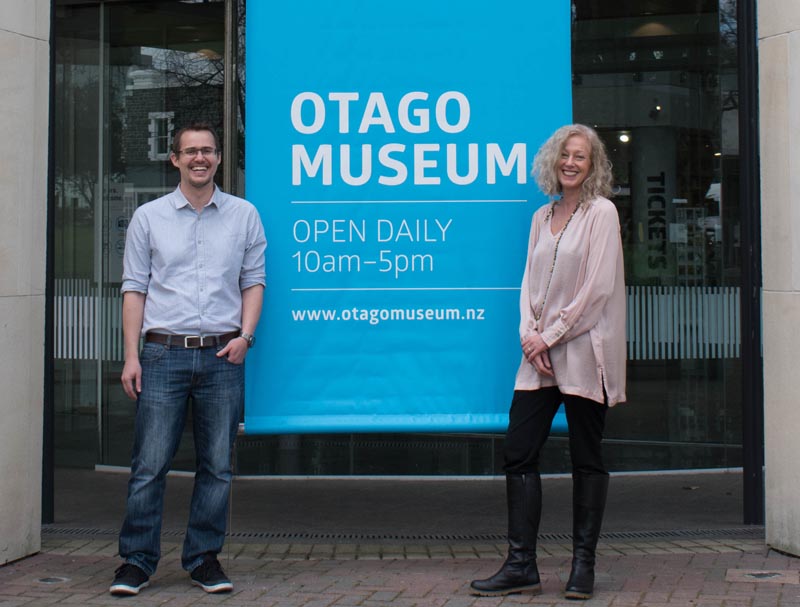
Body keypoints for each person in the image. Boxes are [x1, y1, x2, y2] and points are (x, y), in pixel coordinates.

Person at [109, 122, 267, 597]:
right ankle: (136, 562)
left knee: (217, 466)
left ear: (219, 158)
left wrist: (246, 337)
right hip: (161, 355)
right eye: (191, 151)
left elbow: (253, 281)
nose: (201, 158)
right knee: (149, 465)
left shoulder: (244, 216)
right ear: (174, 159)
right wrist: (131, 356)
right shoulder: (149, 217)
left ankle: (203, 559)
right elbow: (134, 289)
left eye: (209, 151)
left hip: (222, 356)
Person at [470, 124, 626, 600]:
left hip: (583, 352)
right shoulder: (542, 216)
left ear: (593, 164)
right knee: (518, 452)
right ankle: (521, 566)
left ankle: (583, 567)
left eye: (581, 156)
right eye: (565, 155)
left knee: (586, 457)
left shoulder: (603, 213)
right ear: (553, 161)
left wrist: (550, 338)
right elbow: (528, 284)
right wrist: (528, 335)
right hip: (538, 357)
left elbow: (597, 291)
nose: (571, 163)